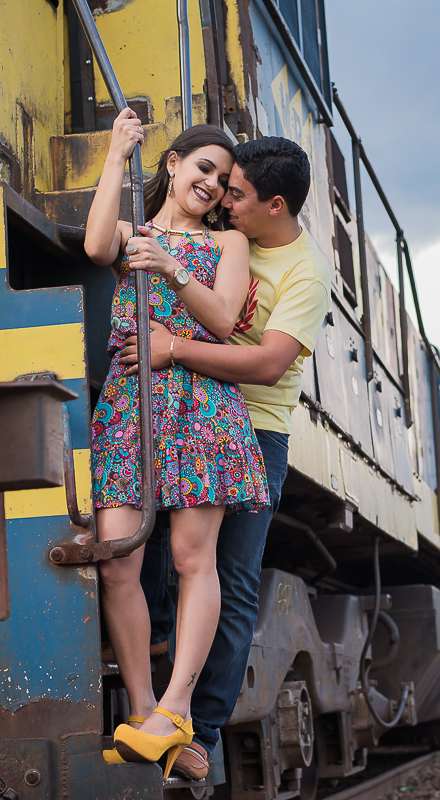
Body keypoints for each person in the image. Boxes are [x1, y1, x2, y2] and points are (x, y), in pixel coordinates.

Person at [118, 135, 331, 780]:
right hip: (179, 410)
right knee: (150, 551)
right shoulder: (217, 237)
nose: (223, 199)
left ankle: (200, 734)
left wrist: (174, 350)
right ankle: (153, 690)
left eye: (236, 193)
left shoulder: (303, 273)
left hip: (254, 428)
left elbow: (267, 365)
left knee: (231, 578)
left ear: (274, 204)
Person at [84, 108, 270, 779]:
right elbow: (94, 246)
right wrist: (116, 153)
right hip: (130, 406)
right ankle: (143, 713)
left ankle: (177, 707)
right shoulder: (132, 234)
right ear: (173, 164)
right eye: (204, 169)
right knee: (117, 561)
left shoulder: (228, 245)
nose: (213, 185)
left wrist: (169, 267)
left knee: (194, 560)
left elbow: (222, 321)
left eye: (222, 180)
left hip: (199, 408)